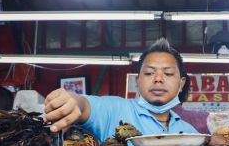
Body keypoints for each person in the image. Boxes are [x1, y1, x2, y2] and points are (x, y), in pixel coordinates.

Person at [45, 38, 198, 140]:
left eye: (168, 73)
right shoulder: (114, 110)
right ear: (138, 81)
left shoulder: (190, 132)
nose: (158, 79)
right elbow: (84, 105)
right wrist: (72, 102)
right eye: (149, 73)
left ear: (181, 83)